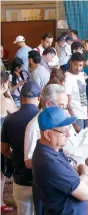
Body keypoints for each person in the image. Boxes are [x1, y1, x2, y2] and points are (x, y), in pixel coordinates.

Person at [32, 106, 88, 214]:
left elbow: (75, 170)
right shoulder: (50, 163)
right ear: (47, 134)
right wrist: (86, 174)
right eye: (64, 131)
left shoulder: (52, 150)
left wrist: (80, 179)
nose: (68, 135)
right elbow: (87, 194)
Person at [1, 81, 41, 215]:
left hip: (20, 179)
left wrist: (16, 157)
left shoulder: (10, 119)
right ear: (39, 98)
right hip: (40, 178)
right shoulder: (43, 119)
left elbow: (4, 149)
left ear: (22, 98)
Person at [0, 71, 17, 214]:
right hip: (1, 144)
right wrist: (9, 95)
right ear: (5, 84)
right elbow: (17, 115)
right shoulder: (5, 101)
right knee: (0, 176)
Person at [65, 52, 88, 132]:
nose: (78, 68)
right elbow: (67, 104)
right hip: (76, 117)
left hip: (84, 116)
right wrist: (75, 124)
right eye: (75, 64)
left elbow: (83, 96)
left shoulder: (81, 74)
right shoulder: (67, 78)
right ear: (70, 62)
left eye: (80, 65)